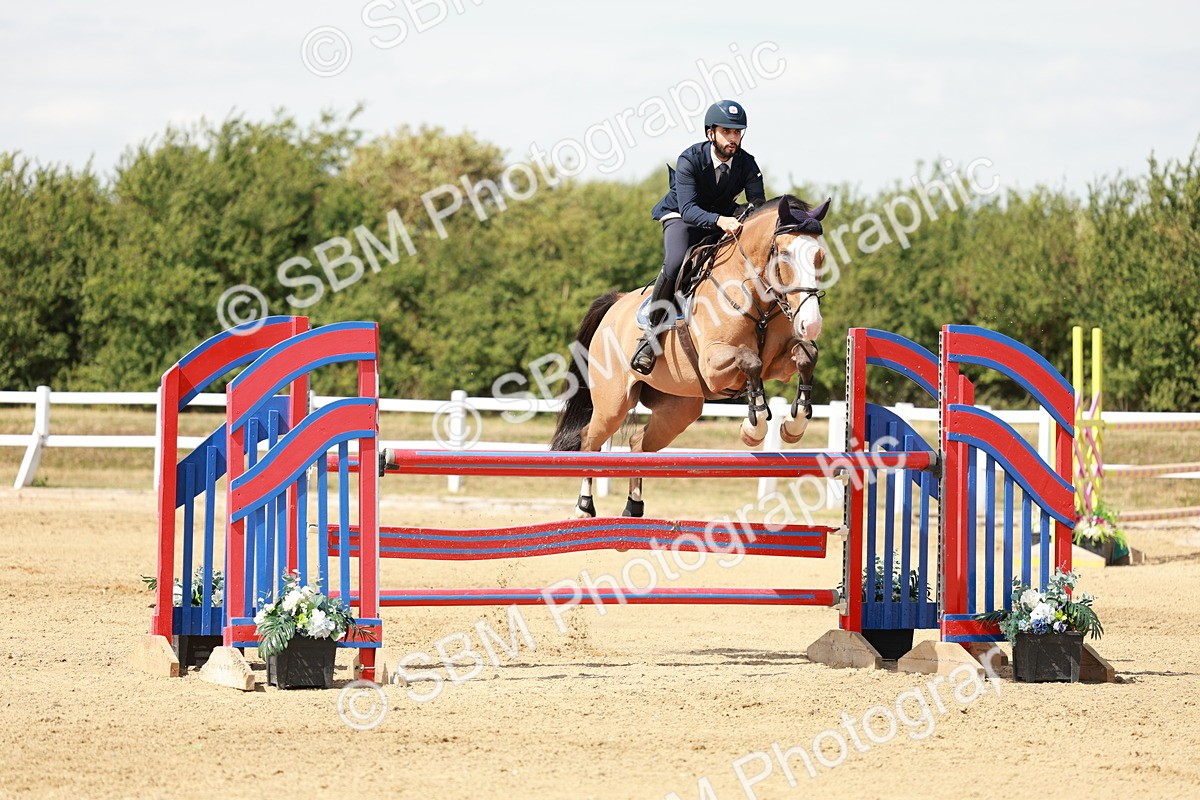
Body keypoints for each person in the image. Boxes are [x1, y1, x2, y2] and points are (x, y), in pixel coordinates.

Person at [629, 99, 767, 375]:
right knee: (676, 261)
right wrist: (720, 220)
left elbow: (758, 207)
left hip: (722, 218)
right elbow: (690, 210)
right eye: (726, 132)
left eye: (737, 132)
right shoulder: (690, 160)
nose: (733, 138)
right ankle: (651, 336)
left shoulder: (747, 164)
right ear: (710, 133)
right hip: (682, 216)